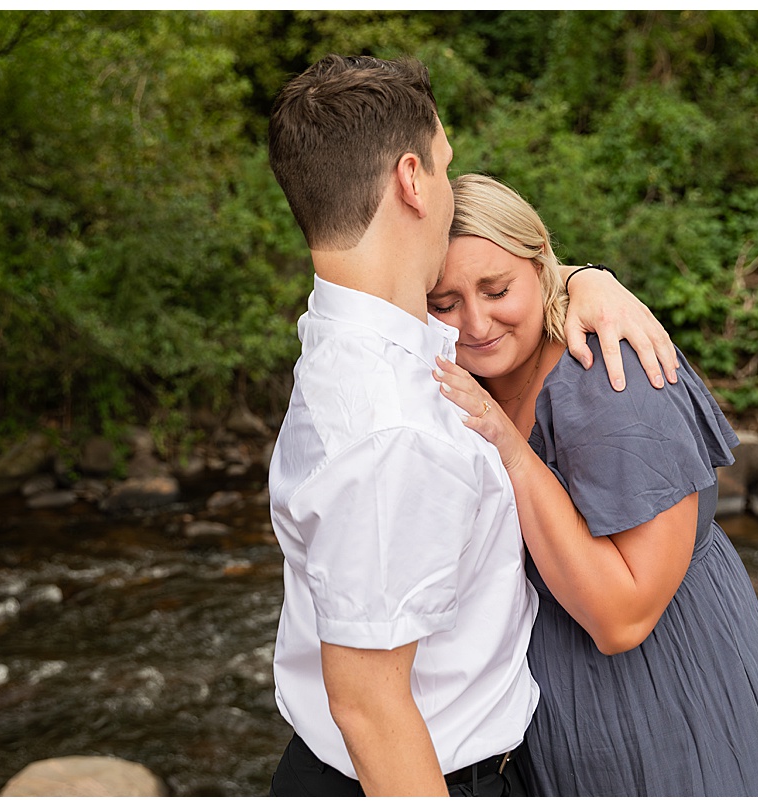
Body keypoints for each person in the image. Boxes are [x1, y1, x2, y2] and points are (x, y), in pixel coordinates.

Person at [265, 55, 679, 797]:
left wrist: (586, 279)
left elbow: (506, 293)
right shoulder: (392, 428)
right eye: (448, 169)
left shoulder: (353, 340)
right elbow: (369, 704)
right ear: (411, 179)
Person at [429, 173, 758, 796]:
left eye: (497, 290)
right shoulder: (464, 373)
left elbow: (623, 617)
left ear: (541, 264)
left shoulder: (608, 377)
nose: (476, 322)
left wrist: (512, 449)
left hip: (662, 701)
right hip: (543, 720)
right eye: (444, 303)